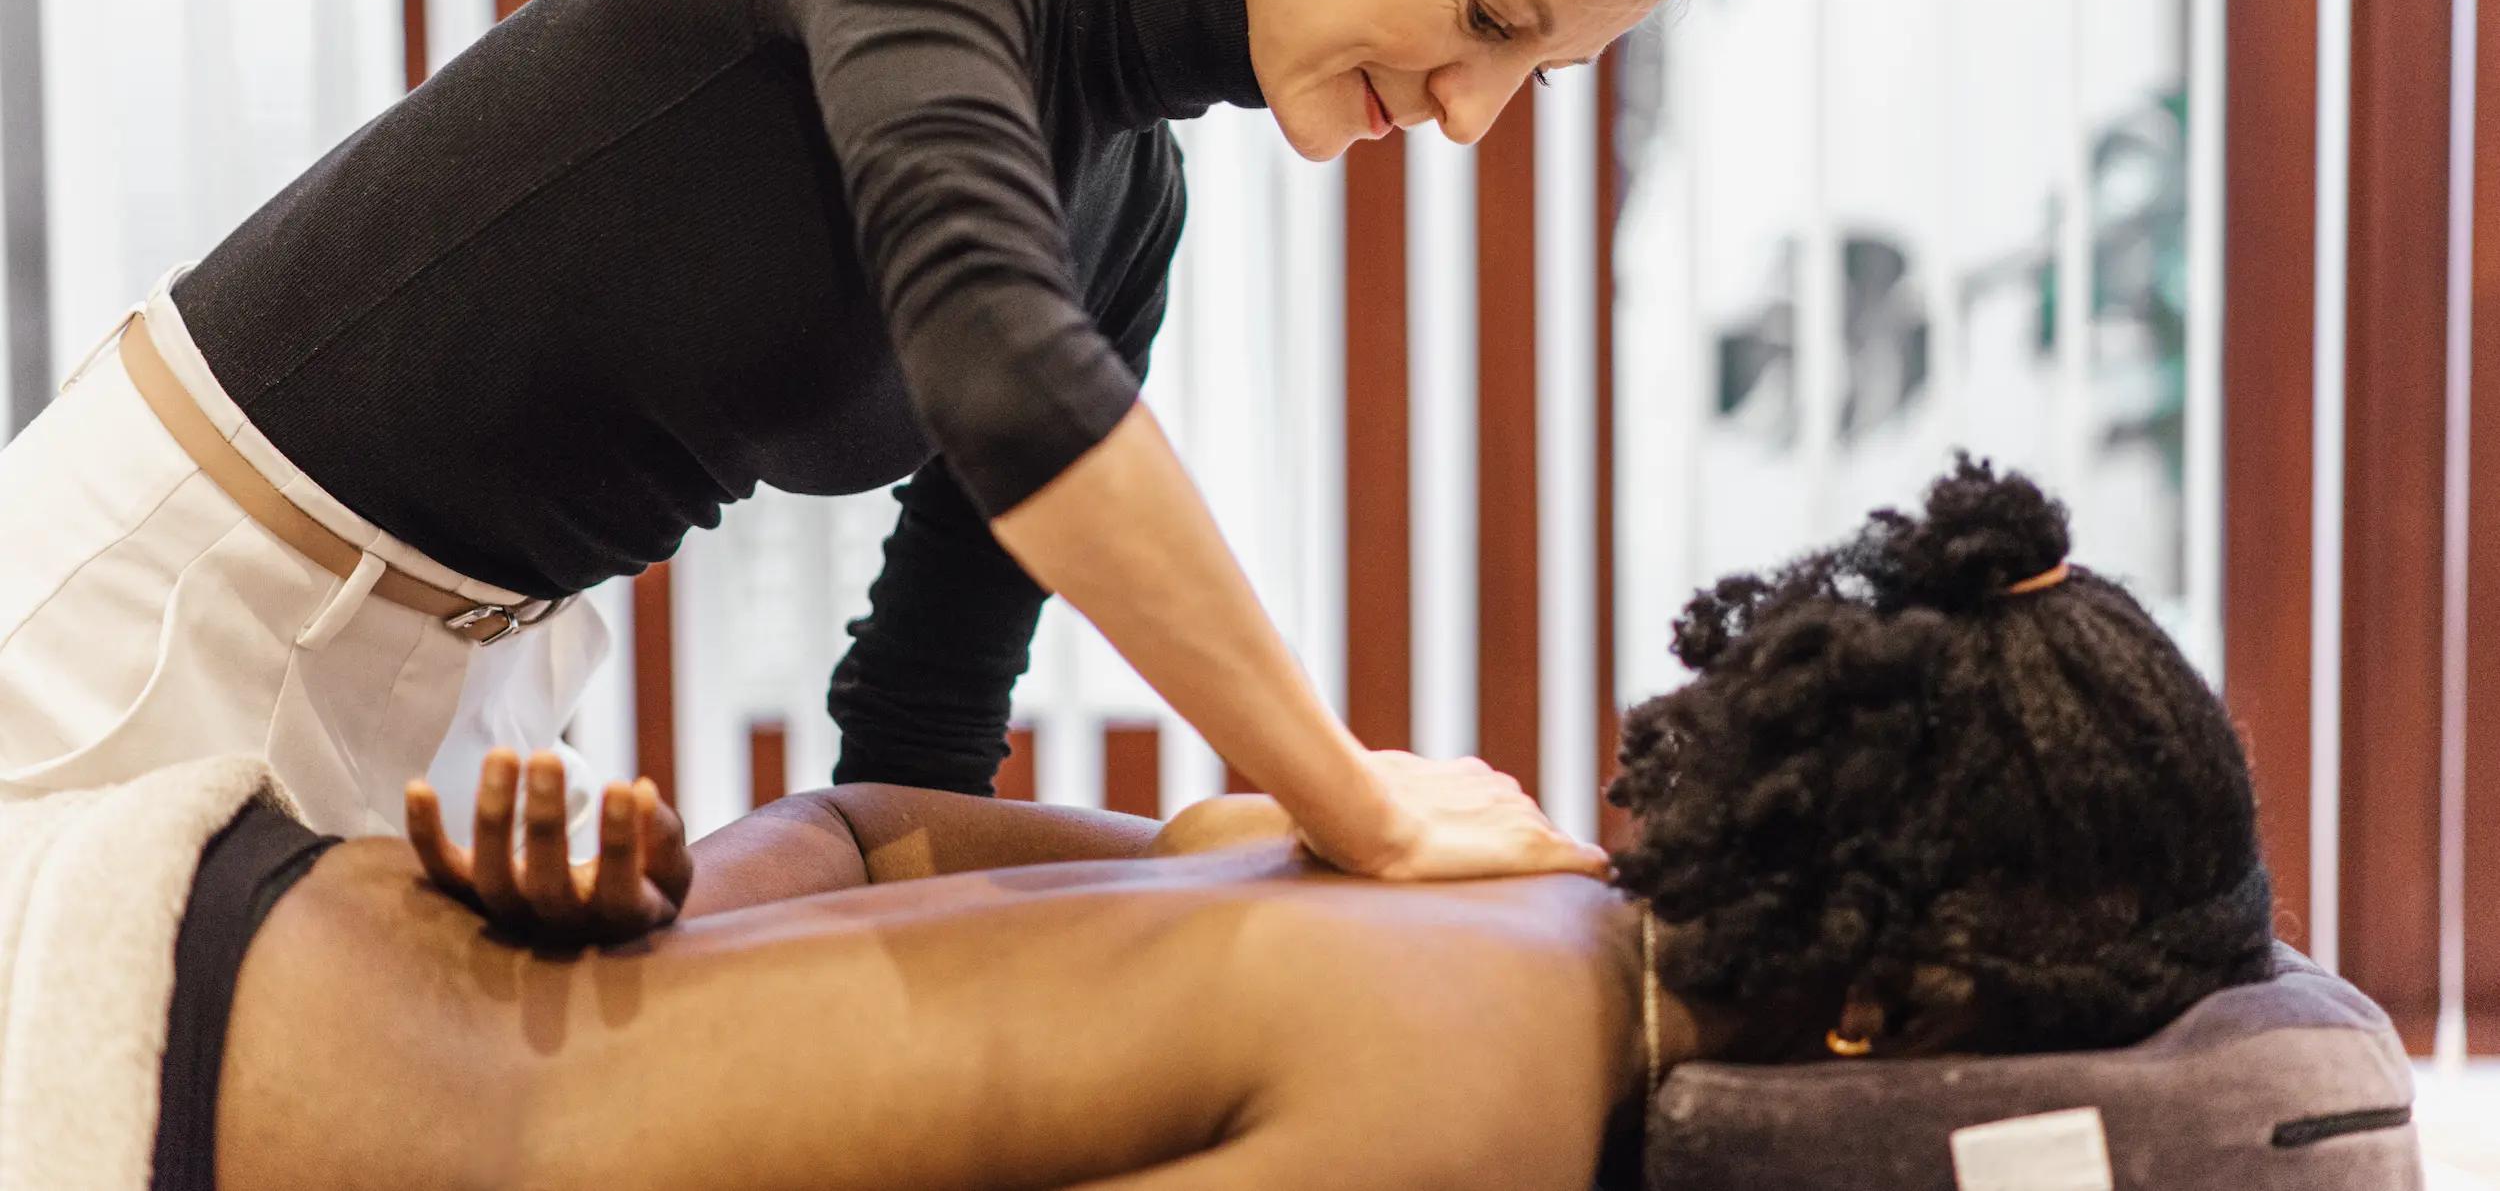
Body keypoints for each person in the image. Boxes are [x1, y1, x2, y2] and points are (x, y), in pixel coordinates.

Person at [0, 0, 1717, 910]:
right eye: (1488, 17)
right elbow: (999, 367)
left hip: (473, 690)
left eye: (1537, 70)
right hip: (160, 614)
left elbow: (925, 713)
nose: (1476, 111)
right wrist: (1349, 795)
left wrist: (1207, 846)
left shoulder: (1128, 207)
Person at [152, 459, 2273, 1189]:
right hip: (161, 1115)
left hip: (239, 932)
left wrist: (662, 917)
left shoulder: (1475, 871)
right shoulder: (1501, 1088)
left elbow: (880, 829)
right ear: (1896, 1011)